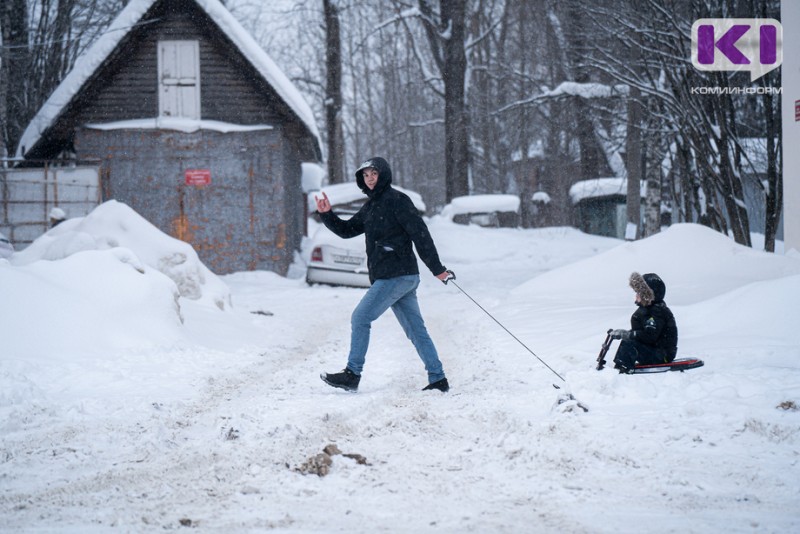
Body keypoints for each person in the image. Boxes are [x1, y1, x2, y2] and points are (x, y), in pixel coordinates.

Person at [315, 157, 451, 393]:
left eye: (373, 174)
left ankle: (352, 373)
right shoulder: (371, 206)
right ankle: (438, 378)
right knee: (416, 331)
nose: (369, 179)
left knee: (360, 317)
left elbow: (421, 234)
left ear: (383, 175)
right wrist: (327, 214)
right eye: (365, 175)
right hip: (398, 277)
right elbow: (348, 230)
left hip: (396, 275)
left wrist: (437, 269)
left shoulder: (398, 201)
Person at [610, 272, 678, 373]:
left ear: (647, 295)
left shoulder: (656, 311)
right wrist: (626, 334)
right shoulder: (647, 309)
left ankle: (622, 370)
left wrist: (629, 335)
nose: (636, 295)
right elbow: (640, 333)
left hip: (662, 355)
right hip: (655, 350)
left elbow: (650, 336)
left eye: (639, 293)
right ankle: (620, 366)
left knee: (630, 343)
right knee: (628, 341)